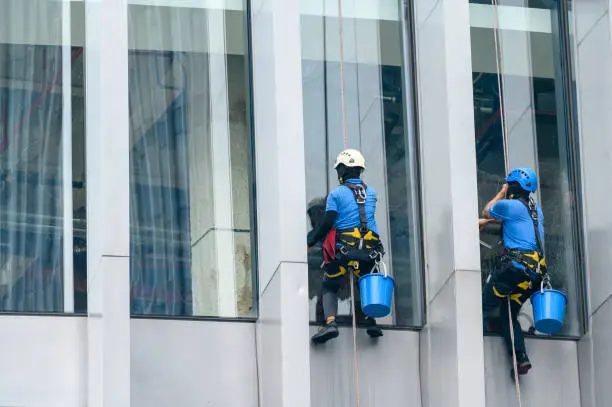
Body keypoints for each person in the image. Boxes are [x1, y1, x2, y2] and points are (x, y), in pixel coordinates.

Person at [307, 149, 385, 344]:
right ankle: (371, 321)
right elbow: (366, 218)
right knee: (362, 283)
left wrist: (310, 241)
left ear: (342, 170)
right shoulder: (372, 193)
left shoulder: (336, 194)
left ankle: (330, 323)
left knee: (329, 285)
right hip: (368, 251)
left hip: (344, 251)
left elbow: (327, 223)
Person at [480, 167, 547, 376]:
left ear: (513, 186)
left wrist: (501, 192)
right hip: (533, 275)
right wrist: (490, 222)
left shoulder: (511, 205)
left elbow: (487, 210)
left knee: (482, 305)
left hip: (513, 270)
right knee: (508, 314)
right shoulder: (535, 210)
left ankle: (472, 345)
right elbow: (514, 222)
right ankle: (521, 358)